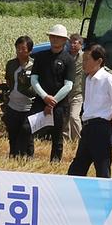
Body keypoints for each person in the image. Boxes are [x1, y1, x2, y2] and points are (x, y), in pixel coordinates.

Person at [67, 45, 112, 178]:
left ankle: (105, 197)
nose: (84, 63)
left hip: (101, 129)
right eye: (83, 59)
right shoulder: (88, 79)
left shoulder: (109, 80)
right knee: (77, 168)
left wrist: (108, 121)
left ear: (99, 61)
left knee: (102, 168)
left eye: (87, 59)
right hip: (87, 128)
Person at [31, 24, 76, 162]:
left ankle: (55, 163)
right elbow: (34, 79)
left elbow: (68, 85)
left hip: (60, 104)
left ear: (64, 40)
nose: (55, 39)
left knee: (57, 135)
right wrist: (44, 97)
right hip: (40, 100)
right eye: (53, 36)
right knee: (27, 128)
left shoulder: (69, 60)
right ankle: (27, 157)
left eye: (59, 37)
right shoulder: (40, 57)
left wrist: (52, 101)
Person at [3, 36, 37, 158]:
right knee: (13, 134)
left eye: (23, 49)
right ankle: (13, 157)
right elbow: (8, 81)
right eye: (18, 48)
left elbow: (39, 87)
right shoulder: (11, 64)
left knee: (27, 134)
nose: (20, 52)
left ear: (30, 50)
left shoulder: (35, 66)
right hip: (13, 106)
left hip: (29, 107)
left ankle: (28, 158)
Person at [64, 33, 85, 142]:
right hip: (64, 93)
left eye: (74, 43)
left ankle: (80, 141)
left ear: (81, 45)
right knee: (65, 119)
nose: (72, 45)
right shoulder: (65, 56)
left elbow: (101, 67)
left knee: (73, 116)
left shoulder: (85, 57)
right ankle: (66, 141)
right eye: (70, 42)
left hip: (77, 93)